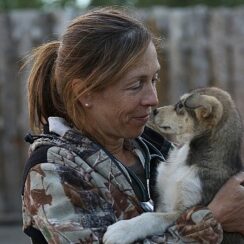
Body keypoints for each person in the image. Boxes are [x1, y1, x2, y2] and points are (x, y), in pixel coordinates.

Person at [21, 6, 244, 244]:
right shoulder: (53, 171)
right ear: (84, 93)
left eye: (153, 79)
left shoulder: (154, 147)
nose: (153, 99)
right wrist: (212, 219)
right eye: (136, 84)